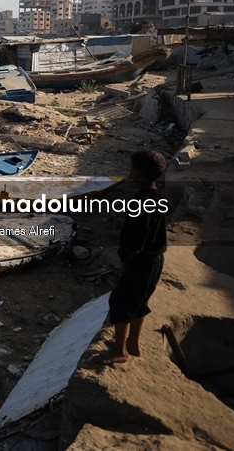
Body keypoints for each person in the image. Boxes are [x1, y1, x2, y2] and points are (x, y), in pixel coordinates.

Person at [99, 150, 169, 365]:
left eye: (131, 169)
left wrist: (126, 256)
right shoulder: (159, 198)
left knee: (120, 302)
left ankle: (120, 351)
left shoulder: (141, 202)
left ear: (138, 174)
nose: (128, 171)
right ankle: (133, 344)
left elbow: (137, 235)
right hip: (156, 260)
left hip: (141, 261)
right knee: (140, 302)